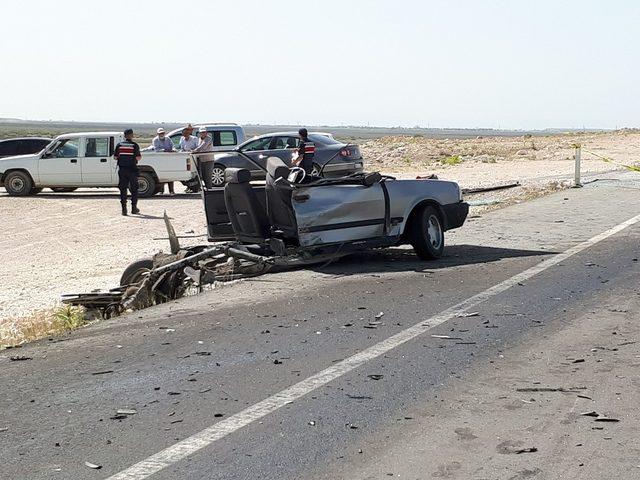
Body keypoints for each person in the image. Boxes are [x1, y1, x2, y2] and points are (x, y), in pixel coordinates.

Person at [114, 129, 142, 216]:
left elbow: (115, 157)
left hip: (122, 170)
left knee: (123, 189)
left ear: (124, 135)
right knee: (134, 189)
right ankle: (134, 208)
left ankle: (124, 210)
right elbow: (138, 157)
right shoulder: (134, 145)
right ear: (131, 135)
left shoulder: (119, 145)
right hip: (132, 170)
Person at [149, 128, 175, 194]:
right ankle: (161, 191)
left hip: (169, 159)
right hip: (160, 160)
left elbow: (172, 146)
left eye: (162, 133)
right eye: (160, 133)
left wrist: (173, 150)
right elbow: (156, 149)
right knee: (162, 175)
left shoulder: (168, 139)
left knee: (170, 176)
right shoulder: (155, 140)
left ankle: (171, 191)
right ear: (157, 134)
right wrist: (165, 150)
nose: (161, 134)